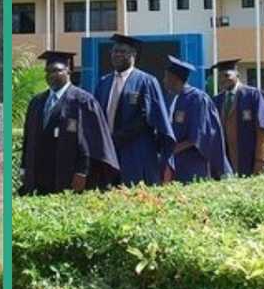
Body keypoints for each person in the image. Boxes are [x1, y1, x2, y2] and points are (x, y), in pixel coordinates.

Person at [20, 51, 118, 195]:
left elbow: (92, 142)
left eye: (57, 70)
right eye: (47, 71)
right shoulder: (37, 102)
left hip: (69, 173)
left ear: (68, 71)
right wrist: (24, 167)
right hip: (40, 174)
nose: (51, 75)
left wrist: (82, 172)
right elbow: (28, 138)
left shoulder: (83, 101)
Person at [92, 34, 176, 186]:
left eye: (122, 52)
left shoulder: (146, 81)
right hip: (108, 151)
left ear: (133, 55)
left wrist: (120, 137)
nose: (117, 55)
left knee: (135, 192)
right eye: (114, 51)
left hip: (136, 150)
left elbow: (149, 117)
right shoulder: (104, 82)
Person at [161, 55, 231, 182]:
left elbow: (198, 136)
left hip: (193, 163)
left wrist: (172, 150)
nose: (163, 80)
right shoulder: (171, 98)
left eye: (166, 77)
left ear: (175, 79)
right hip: (174, 162)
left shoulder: (197, 99)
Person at [212, 59, 264, 177]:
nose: (222, 79)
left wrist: (261, 160)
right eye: (219, 76)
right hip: (227, 162)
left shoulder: (253, 95)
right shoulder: (217, 101)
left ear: (237, 74)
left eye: (226, 75)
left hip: (251, 159)